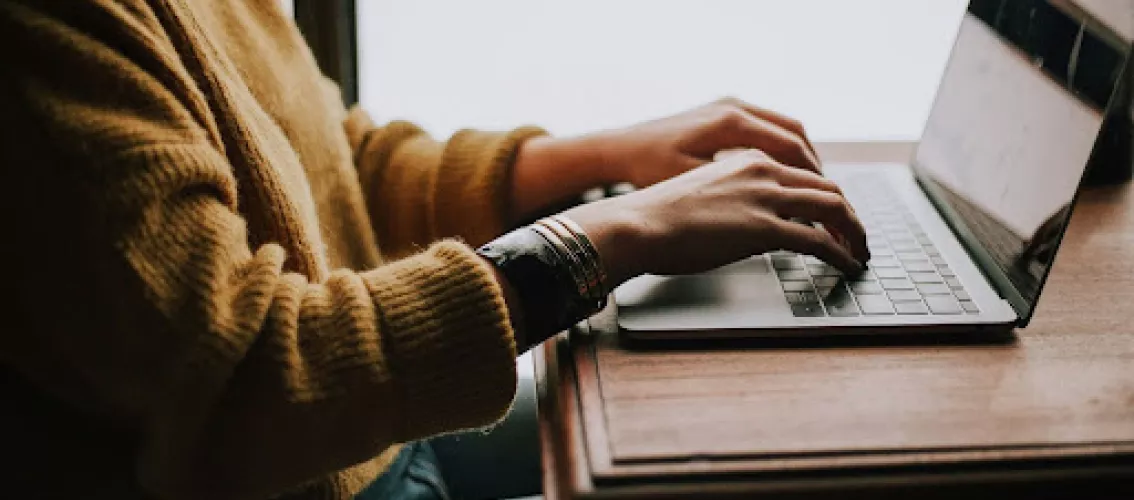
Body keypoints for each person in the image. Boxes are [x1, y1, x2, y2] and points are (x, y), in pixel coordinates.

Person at [0, 1, 869, 499]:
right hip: (316, 474)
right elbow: (246, 381)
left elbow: (333, 164)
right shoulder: (45, 33)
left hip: (368, 444)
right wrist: (609, 236)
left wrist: (607, 158)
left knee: (742, 438)